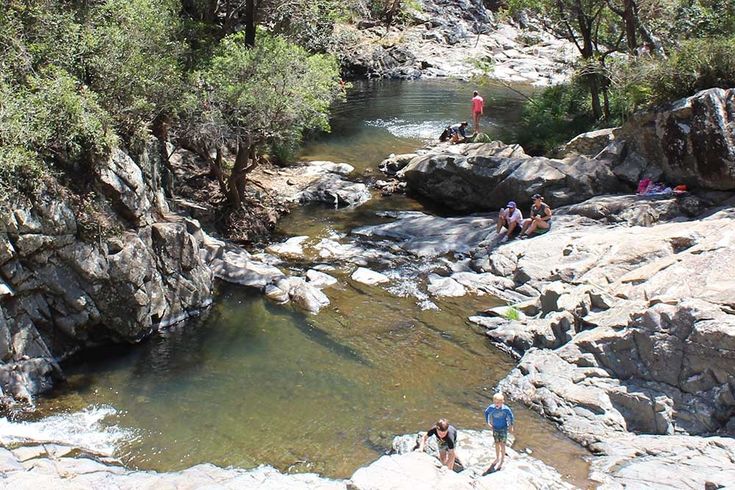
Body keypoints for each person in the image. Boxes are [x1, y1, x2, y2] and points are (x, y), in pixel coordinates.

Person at [483, 393, 514, 473]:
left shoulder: (505, 409)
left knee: (502, 444)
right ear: (493, 402)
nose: (497, 404)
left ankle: (502, 459)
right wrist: (488, 422)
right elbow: (486, 413)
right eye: (495, 402)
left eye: (499, 403)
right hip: (495, 428)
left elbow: (511, 416)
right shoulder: (491, 408)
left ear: (502, 402)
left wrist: (511, 426)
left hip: (503, 428)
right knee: (497, 443)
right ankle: (497, 457)